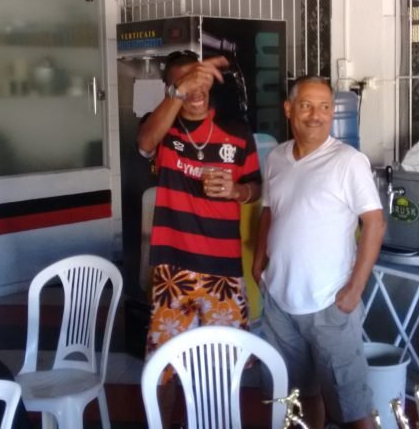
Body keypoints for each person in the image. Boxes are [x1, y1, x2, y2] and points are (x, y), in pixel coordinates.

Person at [252, 76, 386, 429]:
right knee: (298, 398)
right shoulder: (276, 158)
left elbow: (375, 223)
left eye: (325, 107)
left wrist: (354, 289)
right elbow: (269, 210)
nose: (316, 115)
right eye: (307, 106)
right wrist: (259, 262)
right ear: (289, 109)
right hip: (280, 301)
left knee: (352, 407)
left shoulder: (348, 161)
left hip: (329, 302)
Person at [137, 50, 262, 360]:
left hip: (223, 267)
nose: (195, 88)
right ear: (171, 88)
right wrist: (178, 92)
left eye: (200, 78)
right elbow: (145, 144)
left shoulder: (236, 130)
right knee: (166, 364)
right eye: (185, 81)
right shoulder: (162, 126)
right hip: (172, 266)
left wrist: (236, 191)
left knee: (226, 362)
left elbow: (256, 188)